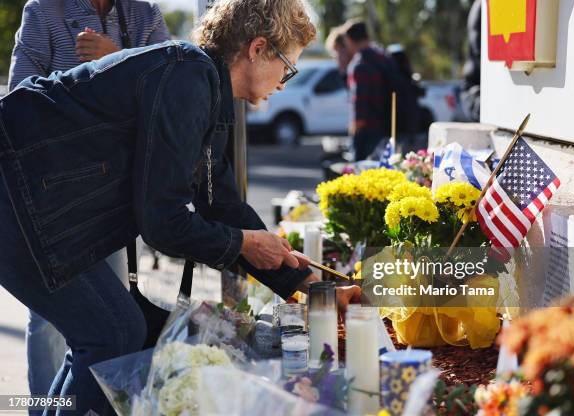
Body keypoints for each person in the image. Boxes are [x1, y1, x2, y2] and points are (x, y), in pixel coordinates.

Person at [0, 0, 360, 413]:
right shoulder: (188, 76)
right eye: (287, 66)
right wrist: (243, 243)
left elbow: (220, 203)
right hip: (20, 195)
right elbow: (163, 221)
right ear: (257, 48)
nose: (285, 82)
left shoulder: (208, 89)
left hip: (41, 205)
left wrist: (312, 285)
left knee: (111, 332)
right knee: (112, 332)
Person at [7, 0, 171, 400]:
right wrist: (93, 75)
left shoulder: (144, 15)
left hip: (109, 198)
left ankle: (94, 406)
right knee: (47, 320)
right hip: (48, 198)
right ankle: (49, 406)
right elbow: (17, 102)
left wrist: (119, 57)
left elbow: (170, 86)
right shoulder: (44, 12)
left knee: (110, 319)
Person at [342, 19, 403, 161]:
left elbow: (360, 99)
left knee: (360, 171)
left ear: (350, 40)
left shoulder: (360, 63)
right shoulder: (383, 57)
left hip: (367, 129)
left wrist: (356, 125)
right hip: (386, 124)